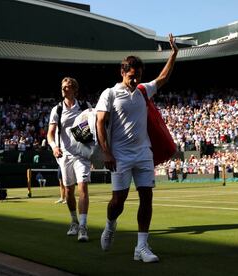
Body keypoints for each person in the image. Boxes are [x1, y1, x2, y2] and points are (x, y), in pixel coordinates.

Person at [96, 33, 178, 262]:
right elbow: (100, 122)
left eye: (138, 76)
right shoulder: (109, 94)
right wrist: (106, 152)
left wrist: (174, 54)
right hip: (119, 155)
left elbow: (162, 78)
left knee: (146, 197)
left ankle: (141, 247)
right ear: (122, 72)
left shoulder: (143, 90)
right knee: (117, 202)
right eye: (131, 76)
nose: (135, 80)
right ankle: (110, 225)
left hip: (143, 152)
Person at [47, 77, 91, 242]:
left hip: (82, 155)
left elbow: (94, 126)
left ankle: (83, 227)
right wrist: (54, 147)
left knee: (83, 188)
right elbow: (50, 133)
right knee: (69, 192)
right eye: (63, 87)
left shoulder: (86, 107)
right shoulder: (57, 110)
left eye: (68, 87)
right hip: (64, 155)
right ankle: (74, 221)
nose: (65, 89)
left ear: (75, 89)